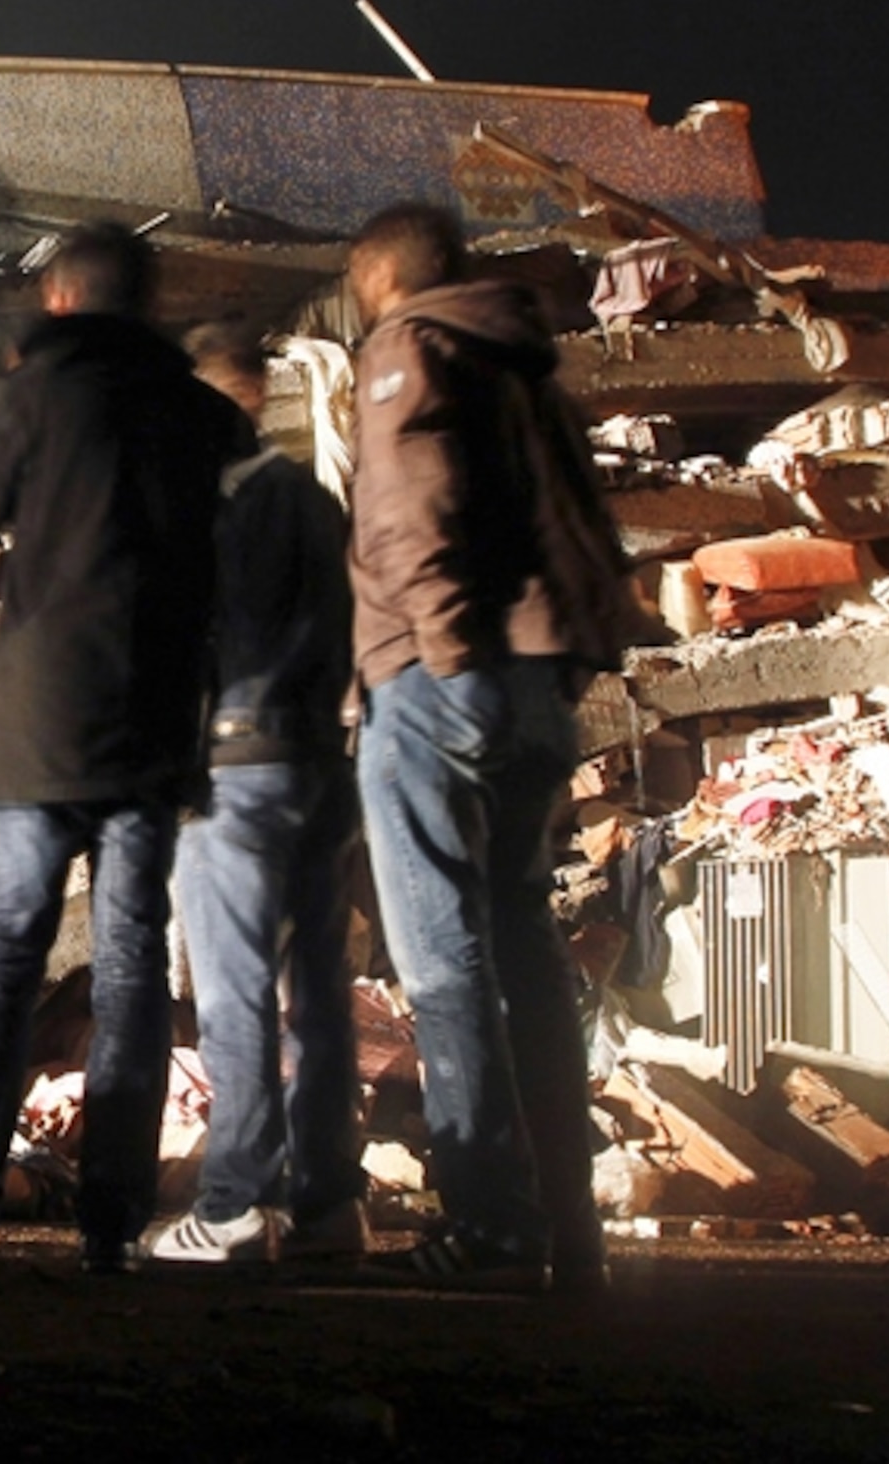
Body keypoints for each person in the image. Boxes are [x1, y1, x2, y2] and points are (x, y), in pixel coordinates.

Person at [0, 221, 250, 1269]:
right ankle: (112, 1222)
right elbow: (233, 576)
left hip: (37, 729)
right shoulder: (204, 417)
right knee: (134, 973)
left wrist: (1, 574)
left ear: (59, 300)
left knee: (2, 960)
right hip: (152, 733)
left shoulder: (28, 401)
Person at [344, 202, 637, 1291]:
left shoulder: (406, 348)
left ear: (377, 282)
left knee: (443, 960)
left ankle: (491, 1220)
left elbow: (413, 511)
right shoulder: (531, 369)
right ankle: (571, 1225)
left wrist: (447, 656)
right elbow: (587, 531)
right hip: (540, 688)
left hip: (440, 686)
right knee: (523, 946)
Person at [145, 323, 365, 1266]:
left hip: (232, 772)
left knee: (233, 990)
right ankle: (329, 1209)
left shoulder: (203, 505)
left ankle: (236, 1200)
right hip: (322, 767)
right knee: (318, 991)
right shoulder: (314, 502)